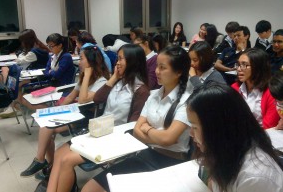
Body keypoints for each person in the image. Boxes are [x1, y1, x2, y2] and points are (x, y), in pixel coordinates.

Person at [80, 45, 192, 192]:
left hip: (171, 162)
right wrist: (154, 134)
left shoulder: (186, 101)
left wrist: (147, 129)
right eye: (156, 66)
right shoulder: (154, 95)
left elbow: (168, 139)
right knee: (90, 188)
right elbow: (137, 131)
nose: (156, 71)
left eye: (162, 68)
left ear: (178, 72)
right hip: (147, 153)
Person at [45, 44, 150, 192]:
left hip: (115, 139)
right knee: (60, 153)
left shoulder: (141, 90)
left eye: (121, 59)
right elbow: (98, 98)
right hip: (101, 132)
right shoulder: (118, 82)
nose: (117, 63)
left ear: (132, 62)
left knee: (67, 160)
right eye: (117, 59)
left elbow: (133, 125)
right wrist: (114, 77)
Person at [20, 45, 110, 177]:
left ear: (91, 62)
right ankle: (47, 163)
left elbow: (82, 100)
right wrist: (56, 110)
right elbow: (71, 97)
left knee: (48, 128)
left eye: (82, 59)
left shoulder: (101, 81)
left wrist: (86, 76)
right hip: (77, 114)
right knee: (46, 126)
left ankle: (44, 163)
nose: (79, 62)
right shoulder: (86, 77)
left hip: (88, 119)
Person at [186, 83, 283, 192]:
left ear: (217, 128)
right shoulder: (224, 153)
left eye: (194, 127)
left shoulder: (254, 178)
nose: (191, 133)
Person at [0, 29, 50, 118]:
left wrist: (14, 58)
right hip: (33, 74)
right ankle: (14, 105)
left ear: (26, 41)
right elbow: (21, 57)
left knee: (13, 85)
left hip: (38, 77)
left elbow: (20, 60)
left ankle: (14, 105)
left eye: (22, 41)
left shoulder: (35, 51)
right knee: (9, 81)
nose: (21, 43)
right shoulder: (36, 47)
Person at [231, 48, 279, 129]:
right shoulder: (234, 87)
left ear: (258, 67)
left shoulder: (271, 92)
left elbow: (268, 126)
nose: (239, 69)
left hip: (261, 136)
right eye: (238, 64)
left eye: (244, 65)